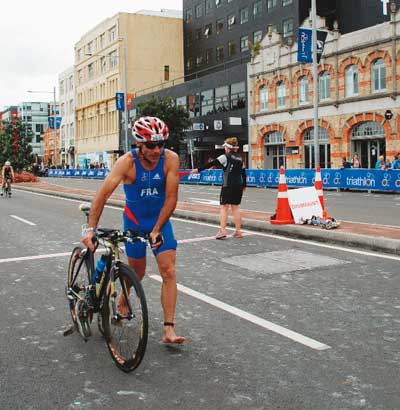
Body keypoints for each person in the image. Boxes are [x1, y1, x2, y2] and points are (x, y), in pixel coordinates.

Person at [82, 116, 185, 344]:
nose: (156, 150)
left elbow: (171, 198)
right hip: (134, 222)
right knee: (137, 271)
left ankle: (169, 329)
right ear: (139, 143)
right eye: (150, 145)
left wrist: (157, 228)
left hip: (159, 222)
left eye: (161, 144)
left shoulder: (171, 160)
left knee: (168, 270)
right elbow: (102, 195)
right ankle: (122, 298)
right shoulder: (126, 163)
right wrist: (90, 228)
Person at [191, 137, 246, 239]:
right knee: (235, 207)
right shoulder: (240, 158)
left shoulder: (225, 157)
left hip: (228, 185)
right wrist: (244, 185)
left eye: (225, 146)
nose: (224, 148)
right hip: (239, 185)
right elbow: (243, 172)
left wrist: (198, 169)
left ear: (228, 148)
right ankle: (238, 231)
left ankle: (223, 231)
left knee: (224, 207)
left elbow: (211, 163)